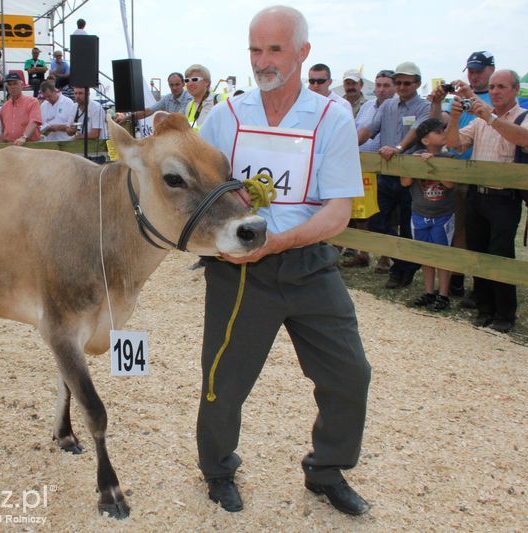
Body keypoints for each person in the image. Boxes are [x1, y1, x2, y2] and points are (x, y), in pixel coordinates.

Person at [196, 6, 370, 516]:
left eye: (275, 49)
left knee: (349, 373)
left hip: (309, 262)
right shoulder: (226, 116)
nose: (263, 60)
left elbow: (338, 211)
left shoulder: (330, 117)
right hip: (240, 268)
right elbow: (197, 189)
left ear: (303, 52)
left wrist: (282, 241)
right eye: (255, 49)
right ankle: (218, 469)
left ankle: (326, 469)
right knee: (223, 380)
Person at [445, 70, 528, 333]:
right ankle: (484, 308)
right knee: (478, 253)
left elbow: (526, 139)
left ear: (516, 89)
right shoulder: (480, 120)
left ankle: (505, 313)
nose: (495, 91)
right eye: (492, 87)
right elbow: (454, 144)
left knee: (501, 254)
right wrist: (454, 119)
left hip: (505, 197)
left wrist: (489, 117)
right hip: (477, 195)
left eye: (501, 86)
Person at [357, 61, 431, 289]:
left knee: (408, 226)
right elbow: (370, 129)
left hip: (411, 177)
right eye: (398, 82)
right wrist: (346, 145)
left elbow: (417, 130)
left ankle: (402, 270)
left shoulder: (424, 107)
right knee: (378, 221)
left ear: (417, 83)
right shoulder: (388, 105)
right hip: (387, 175)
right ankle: (402, 262)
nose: (402, 86)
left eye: (407, 82)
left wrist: (398, 148)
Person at [430, 51, 496, 302]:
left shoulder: (495, 96)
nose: (474, 74)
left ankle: (481, 287)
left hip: (485, 172)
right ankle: (457, 279)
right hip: (457, 169)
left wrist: (470, 95)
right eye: (470, 70)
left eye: (479, 70)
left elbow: (496, 122)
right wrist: (437, 102)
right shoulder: (457, 98)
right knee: (459, 229)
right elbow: (438, 127)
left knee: (482, 234)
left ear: (491, 70)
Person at [400, 118, 456, 311]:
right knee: (425, 254)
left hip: (443, 214)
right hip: (419, 213)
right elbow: (405, 182)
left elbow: (449, 184)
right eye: (438, 132)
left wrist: (433, 166)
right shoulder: (414, 156)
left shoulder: (448, 158)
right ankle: (429, 291)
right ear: (425, 140)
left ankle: (444, 294)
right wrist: (416, 165)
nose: (443, 134)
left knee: (443, 254)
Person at [344, 69, 397, 270]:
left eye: (386, 85)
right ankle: (363, 253)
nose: (381, 90)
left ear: (394, 87)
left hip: (385, 168)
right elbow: (358, 131)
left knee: (386, 215)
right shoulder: (367, 106)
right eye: (378, 85)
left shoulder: (395, 108)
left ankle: (385, 256)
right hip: (363, 166)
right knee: (362, 212)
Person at [114, 72, 191, 123]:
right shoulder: (167, 98)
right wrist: (127, 117)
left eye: (177, 84)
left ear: (183, 84)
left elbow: (178, 117)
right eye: (171, 85)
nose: (174, 88)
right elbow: (149, 111)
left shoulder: (188, 98)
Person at [0, 72, 41, 145]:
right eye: (10, 84)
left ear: (21, 85)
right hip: (10, 147)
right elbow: (3, 131)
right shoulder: (4, 107)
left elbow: (34, 121)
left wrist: (24, 137)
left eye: (15, 83)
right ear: (7, 87)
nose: (12, 86)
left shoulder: (32, 102)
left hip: (29, 146)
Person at [184, 64, 219, 131]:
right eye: (187, 80)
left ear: (207, 82)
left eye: (194, 79)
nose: (190, 84)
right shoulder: (189, 106)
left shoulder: (220, 100)